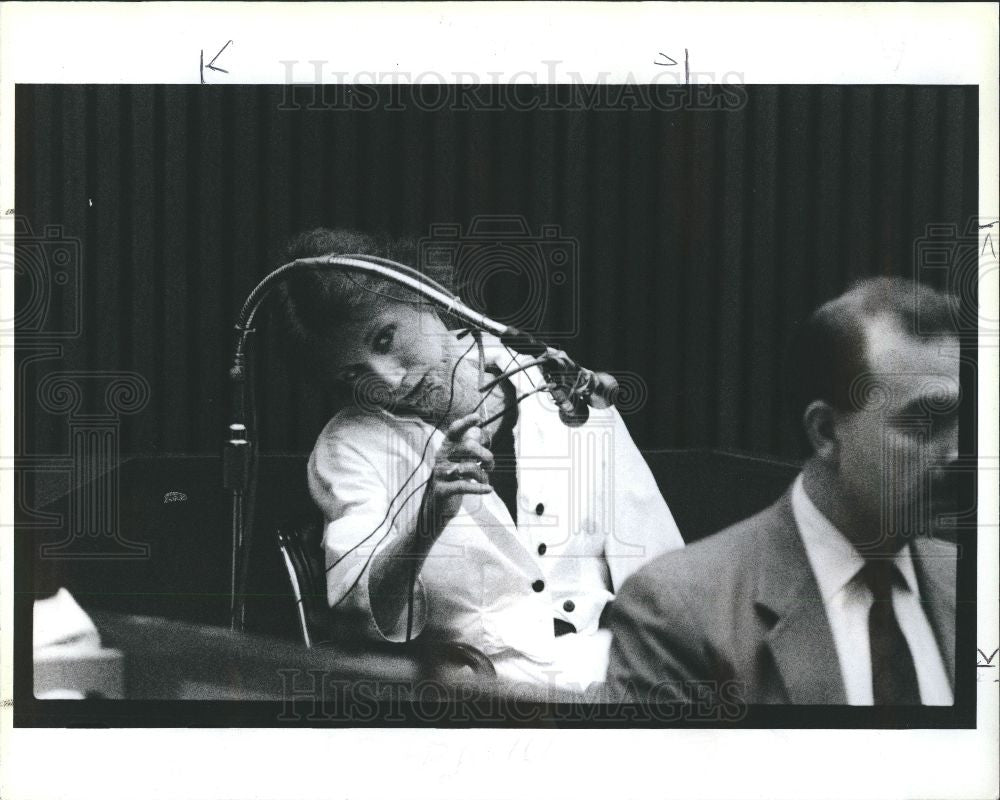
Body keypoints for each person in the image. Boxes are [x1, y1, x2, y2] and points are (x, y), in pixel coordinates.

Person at [273, 228, 684, 690]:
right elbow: (362, 616)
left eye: (385, 339)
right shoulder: (351, 447)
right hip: (475, 695)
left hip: (611, 670)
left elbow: (658, 561)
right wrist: (428, 517)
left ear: (421, 294)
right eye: (353, 373)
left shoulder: (562, 388)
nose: (388, 381)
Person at [606, 277, 961, 706]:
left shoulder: (971, 582)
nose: (960, 453)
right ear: (826, 431)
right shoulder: (681, 613)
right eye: (925, 422)